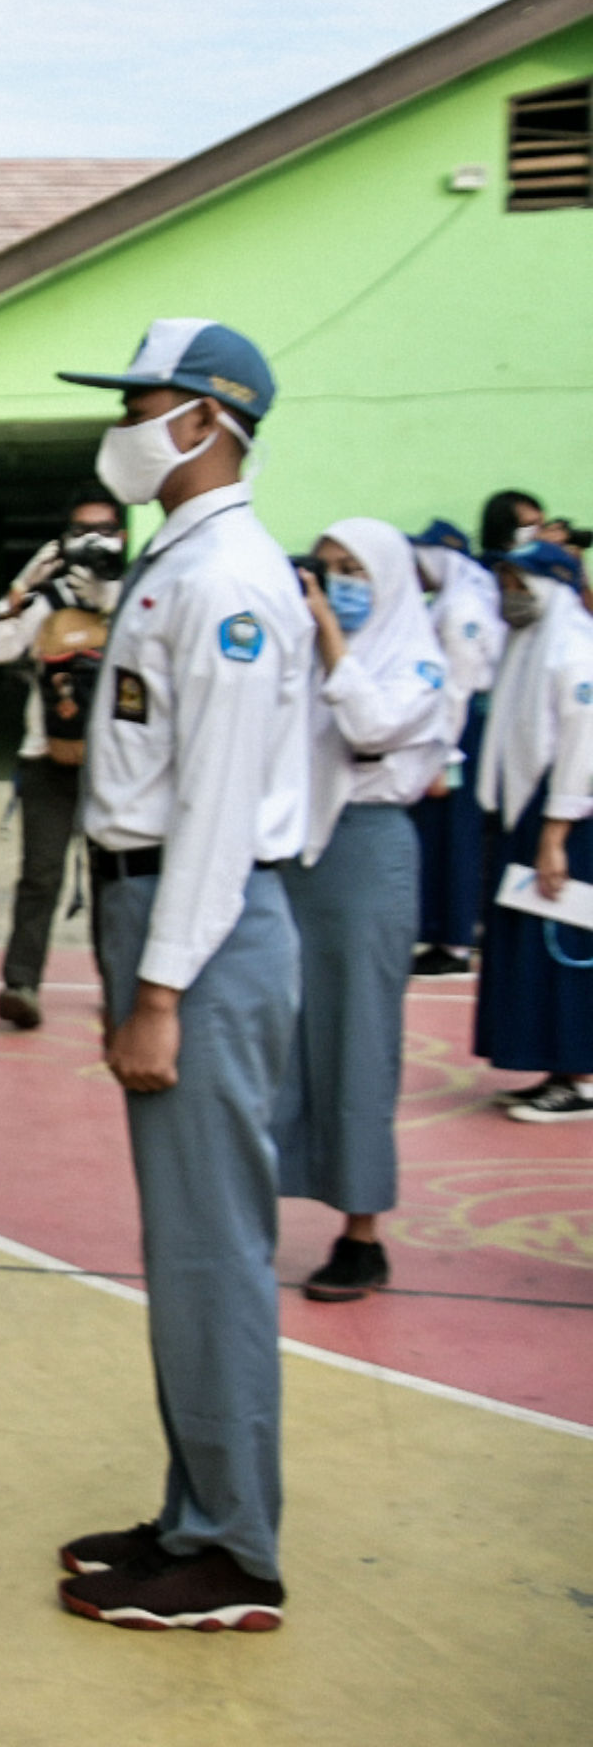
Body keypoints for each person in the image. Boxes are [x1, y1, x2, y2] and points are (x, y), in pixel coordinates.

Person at [51, 319, 308, 1634]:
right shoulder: (185, 559)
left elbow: (213, 814)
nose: (127, 421)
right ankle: (195, 1512)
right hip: (163, 916)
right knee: (189, 1244)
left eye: (143, 401)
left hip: (197, 934)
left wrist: (157, 993)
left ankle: (235, 1555)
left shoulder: (230, 583)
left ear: (208, 420)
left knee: (211, 1252)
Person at [279, 521, 448, 1303]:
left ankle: (361, 1235)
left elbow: (372, 726)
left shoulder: (417, 661)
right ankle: (264, 1201)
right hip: (294, 857)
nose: (338, 582)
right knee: (280, 1037)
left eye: (355, 571)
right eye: (328, 567)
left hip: (367, 856)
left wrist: (326, 640)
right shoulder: (309, 657)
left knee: (357, 1041)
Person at [0, 490, 129, 1028]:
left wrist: (112, 599)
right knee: (40, 876)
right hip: (48, 759)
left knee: (116, 878)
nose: (95, 543)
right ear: (64, 542)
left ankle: (122, 988)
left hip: (119, 768)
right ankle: (21, 984)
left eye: (105, 531)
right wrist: (21, 587)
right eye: (82, 533)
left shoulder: (138, 598)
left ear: (124, 536)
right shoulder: (48, 598)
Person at [471, 539, 593, 1124]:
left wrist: (554, 836)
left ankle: (583, 1076)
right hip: (528, 816)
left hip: (564, 822)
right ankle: (556, 1066)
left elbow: (580, 750)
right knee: (531, 947)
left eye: (520, 582)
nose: (509, 595)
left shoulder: (574, 650)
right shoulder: (528, 645)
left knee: (565, 948)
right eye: (505, 582)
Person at [408, 520, 505, 976]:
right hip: (451, 726)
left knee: (458, 832)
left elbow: (458, 686)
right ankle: (442, 932)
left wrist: (445, 755)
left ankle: (455, 939)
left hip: (461, 730)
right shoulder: (451, 601)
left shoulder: (462, 608)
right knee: (443, 830)